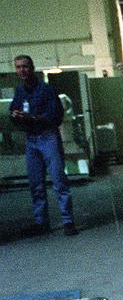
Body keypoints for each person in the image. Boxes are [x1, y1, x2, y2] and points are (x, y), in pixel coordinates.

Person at [9, 54, 77, 237]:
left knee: (58, 180)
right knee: (36, 184)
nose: (21, 70)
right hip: (31, 140)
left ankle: (68, 221)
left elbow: (56, 116)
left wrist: (31, 118)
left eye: (24, 66)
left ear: (32, 68)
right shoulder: (20, 92)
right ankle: (42, 222)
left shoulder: (46, 90)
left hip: (48, 138)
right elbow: (13, 111)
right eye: (18, 67)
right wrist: (14, 115)